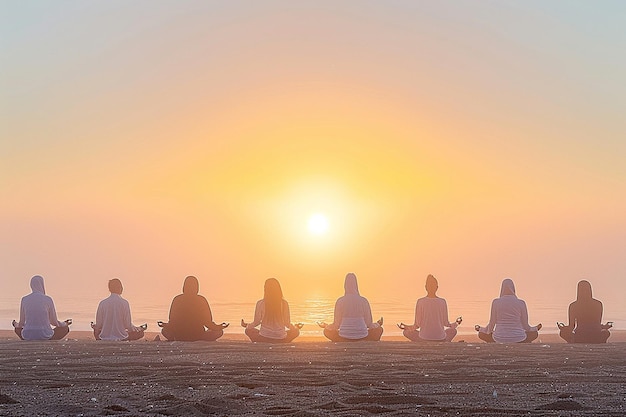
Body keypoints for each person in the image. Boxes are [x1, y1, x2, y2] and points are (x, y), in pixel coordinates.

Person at [159, 276, 228, 341]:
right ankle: (201, 339)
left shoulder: (177, 299)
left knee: (164, 330)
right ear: (197, 287)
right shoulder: (201, 300)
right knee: (219, 332)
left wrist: (165, 325)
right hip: (198, 335)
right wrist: (218, 327)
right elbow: (208, 322)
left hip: (179, 335)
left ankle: (177, 338)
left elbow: (172, 322)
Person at [318, 273, 383, 342]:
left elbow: (337, 325)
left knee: (326, 331)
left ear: (345, 285)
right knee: (379, 330)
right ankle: (364, 340)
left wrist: (326, 326)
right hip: (363, 336)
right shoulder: (364, 300)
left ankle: (342, 340)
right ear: (356, 285)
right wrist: (378, 324)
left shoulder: (340, 301)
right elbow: (368, 324)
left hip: (344, 336)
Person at [475, 278, 541, 343]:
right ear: (513, 288)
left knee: (481, 334)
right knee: (535, 334)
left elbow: (491, 325)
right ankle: (520, 340)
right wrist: (535, 328)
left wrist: (480, 329)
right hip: (519, 338)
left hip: (499, 337)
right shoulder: (521, 303)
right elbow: (526, 326)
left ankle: (497, 340)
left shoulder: (496, 302)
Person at [399, 274, 461, 342]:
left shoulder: (420, 301)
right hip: (441, 339)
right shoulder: (442, 302)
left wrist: (406, 327)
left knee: (406, 332)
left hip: (423, 339)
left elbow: (417, 325)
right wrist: (457, 323)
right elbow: (446, 323)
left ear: (425, 287)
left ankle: (420, 342)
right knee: (453, 331)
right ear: (437, 287)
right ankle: (444, 341)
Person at [241, 278, 301, 343]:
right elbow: (287, 323)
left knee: (248, 330)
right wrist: (295, 327)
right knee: (296, 332)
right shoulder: (284, 303)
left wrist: (246, 325)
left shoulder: (260, 303)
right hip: (281, 338)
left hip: (264, 337)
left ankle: (259, 341)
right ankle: (282, 341)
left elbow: (256, 322)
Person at [13, 275, 71, 340]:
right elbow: (54, 322)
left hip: (27, 335)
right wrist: (65, 323)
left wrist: (15, 324)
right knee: (65, 329)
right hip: (45, 335)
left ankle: (30, 337)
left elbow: (21, 323)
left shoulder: (24, 299)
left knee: (17, 329)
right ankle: (47, 339)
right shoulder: (48, 299)